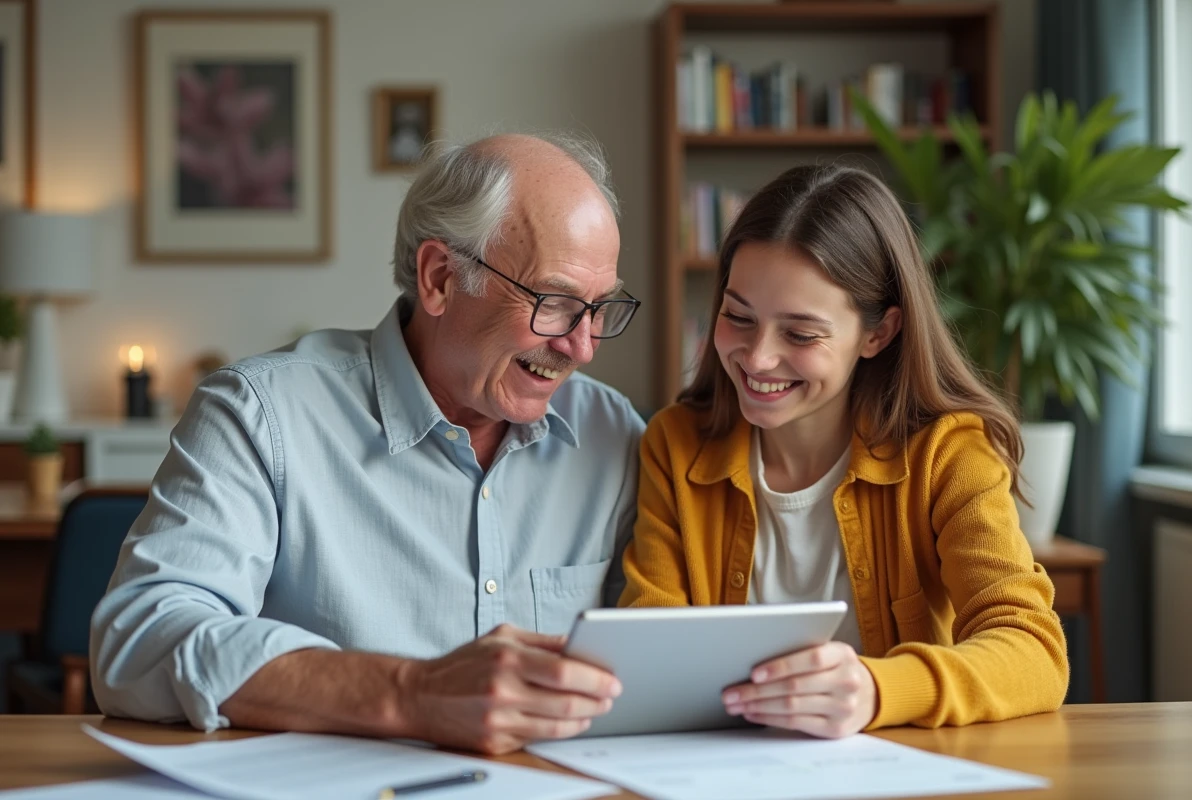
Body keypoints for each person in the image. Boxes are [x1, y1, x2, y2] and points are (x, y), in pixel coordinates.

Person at [91, 133, 645, 755]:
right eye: (555, 303)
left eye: (600, 309)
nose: (583, 346)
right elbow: (139, 641)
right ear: (439, 278)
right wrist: (410, 693)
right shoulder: (261, 414)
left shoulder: (612, 434)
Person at [620, 164, 1068, 738]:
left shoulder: (946, 454)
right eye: (738, 317)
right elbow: (648, 643)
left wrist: (878, 689)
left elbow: (1034, 652)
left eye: (800, 334)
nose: (756, 359)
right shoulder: (674, 444)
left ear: (878, 333)